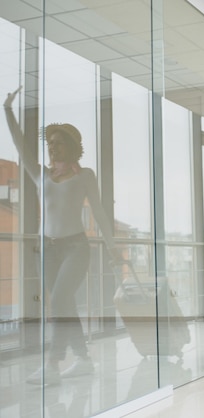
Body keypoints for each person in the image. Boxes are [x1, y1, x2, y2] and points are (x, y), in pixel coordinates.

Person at [4, 86, 118, 385]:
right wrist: (8, 111)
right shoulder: (41, 174)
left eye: (58, 143)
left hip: (76, 248)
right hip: (46, 250)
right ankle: (83, 360)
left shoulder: (85, 176)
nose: (52, 147)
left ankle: (53, 364)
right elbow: (20, 146)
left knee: (60, 300)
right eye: (49, 143)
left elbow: (101, 213)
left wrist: (112, 247)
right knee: (63, 304)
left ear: (71, 147)